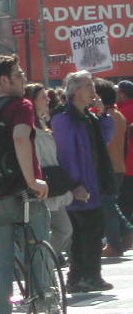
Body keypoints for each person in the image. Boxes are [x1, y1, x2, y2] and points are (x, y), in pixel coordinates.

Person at [0, 55, 49, 314]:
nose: (24, 78)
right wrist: (32, 180)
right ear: (4, 80)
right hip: (21, 194)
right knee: (37, 258)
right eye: (19, 74)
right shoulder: (21, 105)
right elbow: (20, 139)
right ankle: (43, 306)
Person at [52, 71, 116, 293]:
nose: (93, 91)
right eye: (89, 86)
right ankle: (84, 276)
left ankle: (83, 276)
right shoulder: (64, 119)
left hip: (92, 184)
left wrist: (105, 113)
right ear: (76, 90)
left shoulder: (90, 117)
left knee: (91, 232)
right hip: (79, 187)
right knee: (84, 233)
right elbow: (66, 156)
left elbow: (105, 139)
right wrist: (74, 185)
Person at [24, 84, 74, 262]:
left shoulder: (43, 123)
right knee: (56, 230)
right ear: (32, 101)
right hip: (41, 185)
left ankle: (41, 264)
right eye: (43, 97)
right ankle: (38, 266)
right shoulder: (28, 128)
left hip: (53, 184)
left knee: (64, 229)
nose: (48, 99)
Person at [95, 78, 133, 256]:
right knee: (110, 203)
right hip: (119, 166)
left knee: (108, 205)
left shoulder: (107, 117)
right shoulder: (119, 115)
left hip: (109, 167)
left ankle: (114, 242)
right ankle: (125, 231)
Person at [117, 80, 133, 221]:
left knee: (125, 204)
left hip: (127, 165)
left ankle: (127, 235)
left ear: (122, 94)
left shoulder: (122, 113)